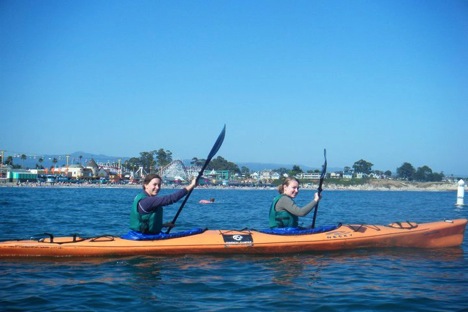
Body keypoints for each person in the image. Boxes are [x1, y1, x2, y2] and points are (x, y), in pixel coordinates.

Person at [130, 174, 197, 234]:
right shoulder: (147, 201)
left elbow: (145, 221)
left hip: (143, 233)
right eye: (154, 184)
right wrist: (191, 185)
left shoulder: (141, 197)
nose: (157, 187)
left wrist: (163, 225)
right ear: (146, 185)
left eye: (159, 185)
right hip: (145, 237)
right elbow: (171, 199)